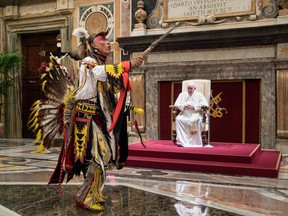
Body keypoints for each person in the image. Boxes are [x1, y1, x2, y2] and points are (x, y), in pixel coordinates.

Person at [35, 28, 144, 212]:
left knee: (104, 157)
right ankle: (84, 195)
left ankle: (95, 192)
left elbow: (108, 84)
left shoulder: (99, 64)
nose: (109, 43)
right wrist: (128, 64)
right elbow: (102, 72)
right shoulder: (88, 62)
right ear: (94, 45)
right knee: (99, 156)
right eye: (104, 41)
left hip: (96, 116)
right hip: (84, 118)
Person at [174, 81, 208, 147]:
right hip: (185, 114)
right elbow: (176, 104)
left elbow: (205, 105)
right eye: (188, 88)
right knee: (178, 119)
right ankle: (181, 141)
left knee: (196, 120)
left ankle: (195, 143)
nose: (189, 90)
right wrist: (184, 106)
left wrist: (194, 107)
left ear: (194, 88)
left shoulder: (199, 95)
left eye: (191, 88)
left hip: (196, 114)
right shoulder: (182, 95)